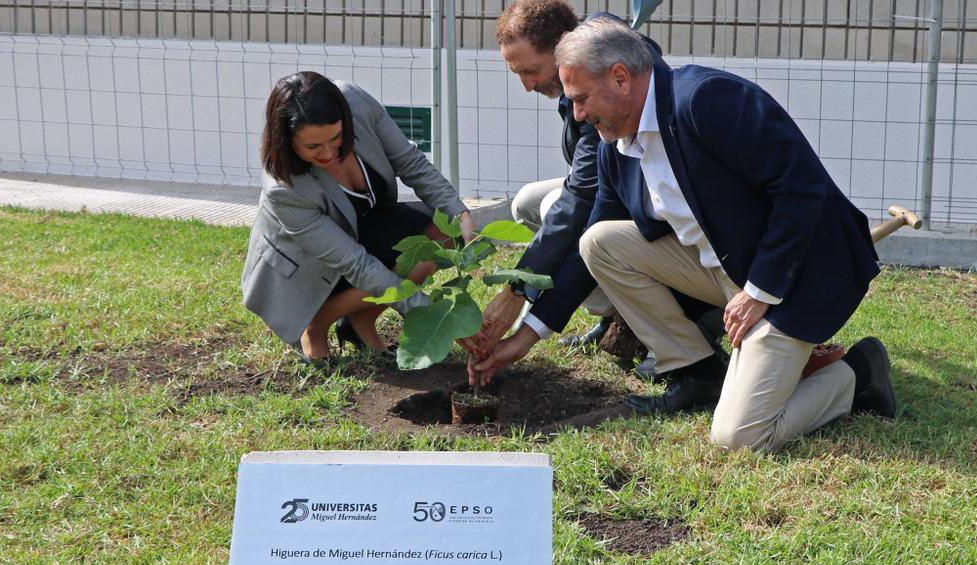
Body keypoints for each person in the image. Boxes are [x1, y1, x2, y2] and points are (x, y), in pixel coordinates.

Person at [546, 19, 895, 452]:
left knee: (739, 437)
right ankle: (697, 371)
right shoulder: (613, 145)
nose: (577, 114)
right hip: (727, 268)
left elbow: (801, 189)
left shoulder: (706, 100)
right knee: (600, 241)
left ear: (620, 78)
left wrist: (760, 291)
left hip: (796, 277)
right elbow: (595, 239)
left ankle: (857, 373)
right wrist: (527, 334)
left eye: (580, 99)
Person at [466, 1, 720, 380]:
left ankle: (686, 321)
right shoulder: (588, 69)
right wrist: (524, 329)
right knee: (529, 203)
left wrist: (517, 289)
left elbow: (582, 201)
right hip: (624, 194)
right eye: (517, 73)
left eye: (531, 70)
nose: (528, 85)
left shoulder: (606, 88)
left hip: (673, 219)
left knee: (571, 217)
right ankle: (616, 312)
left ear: (560, 43)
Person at [241, 71, 476, 361]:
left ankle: (359, 321)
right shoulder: (285, 188)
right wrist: (432, 315)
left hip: (358, 229)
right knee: (384, 265)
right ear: (286, 141)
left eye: (336, 138)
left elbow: (410, 162)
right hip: (309, 268)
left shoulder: (355, 102)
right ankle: (315, 325)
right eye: (313, 147)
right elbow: (354, 263)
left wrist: (459, 212)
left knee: (442, 234)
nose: (328, 153)